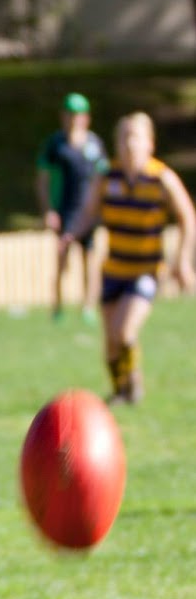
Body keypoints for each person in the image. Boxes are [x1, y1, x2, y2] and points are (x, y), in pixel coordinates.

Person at [61, 111, 196, 404]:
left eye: (134, 137)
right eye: (122, 138)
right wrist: (71, 234)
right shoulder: (106, 176)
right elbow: (88, 213)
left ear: (150, 143)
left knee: (124, 332)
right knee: (110, 344)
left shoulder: (161, 178)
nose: (128, 144)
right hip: (114, 270)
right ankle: (121, 391)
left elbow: (188, 216)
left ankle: (134, 385)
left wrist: (183, 261)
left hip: (145, 271)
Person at [35, 92, 109, 321]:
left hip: (87, 211)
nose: (74, 119)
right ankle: (57, 308)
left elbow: (104, 177)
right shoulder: (55, 145)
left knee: (90, 260)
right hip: (65, 210)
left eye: (78, 115)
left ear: (85, 117)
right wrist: (48, 210)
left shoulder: (94, 144)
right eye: (70, 115)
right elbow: (43, 179)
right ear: (63, 116)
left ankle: (88, 308)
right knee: (62, 262)